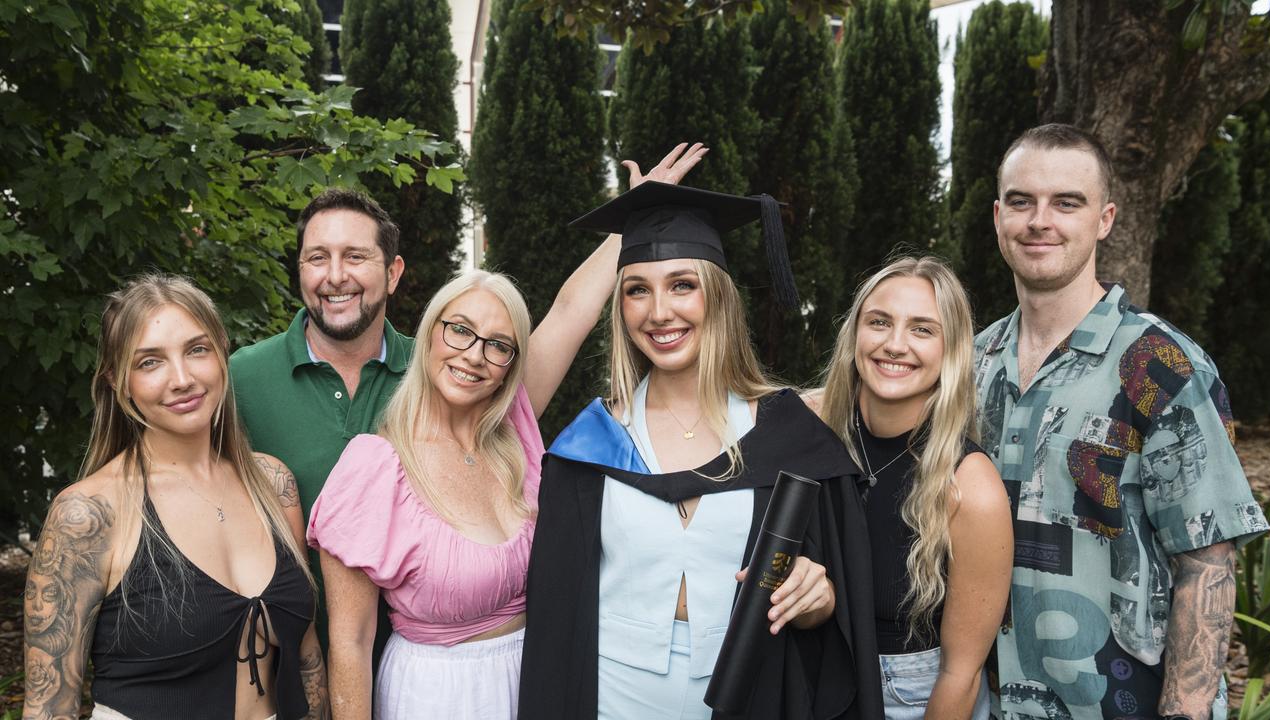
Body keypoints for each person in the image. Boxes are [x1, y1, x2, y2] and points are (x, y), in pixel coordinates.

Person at [307, 144, 709, 720]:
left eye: (499, 345)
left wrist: (634, 218)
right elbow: (347, 643)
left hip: (539, 680)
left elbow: (572, 310)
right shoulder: (376, 467)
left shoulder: (514, 431)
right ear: (428, 335)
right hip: (436, 697)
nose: (474, 356)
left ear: (511, 363)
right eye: (460, 331)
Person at [519, 180, 883, 719]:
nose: (658, 311)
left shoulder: (788, 436)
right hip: (611, 698)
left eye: (681, 285)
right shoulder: (590, 445)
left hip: (751, 694)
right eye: (636, 289)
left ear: (717, 294)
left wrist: (817, 599)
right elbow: (557, 613)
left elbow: (832, 611)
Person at [974, 123, 1270, 720]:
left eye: (1067, 202)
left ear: (1104, 219)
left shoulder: (1158, 365)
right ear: (998, 215)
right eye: (1021, 201)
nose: (1040, 220)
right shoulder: (971, 362)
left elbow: (1205, 564)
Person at [23, 274, 325, 720]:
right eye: (150, 362)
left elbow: (306, 656)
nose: (182, 379)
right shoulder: (88, 515)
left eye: (196, 349)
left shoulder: (272, 484)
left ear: (222, 353)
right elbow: (49, 709)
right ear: (118, 381)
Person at [812, 256, 1011, 719]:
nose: (894, 344)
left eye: (922, 329)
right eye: (879, 322)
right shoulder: (813, 435)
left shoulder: (970, 487)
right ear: (854, 334)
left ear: (951, 350)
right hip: (811, 676)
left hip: (908, 696)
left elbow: (960, 676)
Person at [230, 188, 411, 653]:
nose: (334, 276)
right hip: (279, 661)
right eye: (317, 258)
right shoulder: (242, 378)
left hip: (414, 662)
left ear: (392, 273)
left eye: (355, 256)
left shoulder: (433, 372)